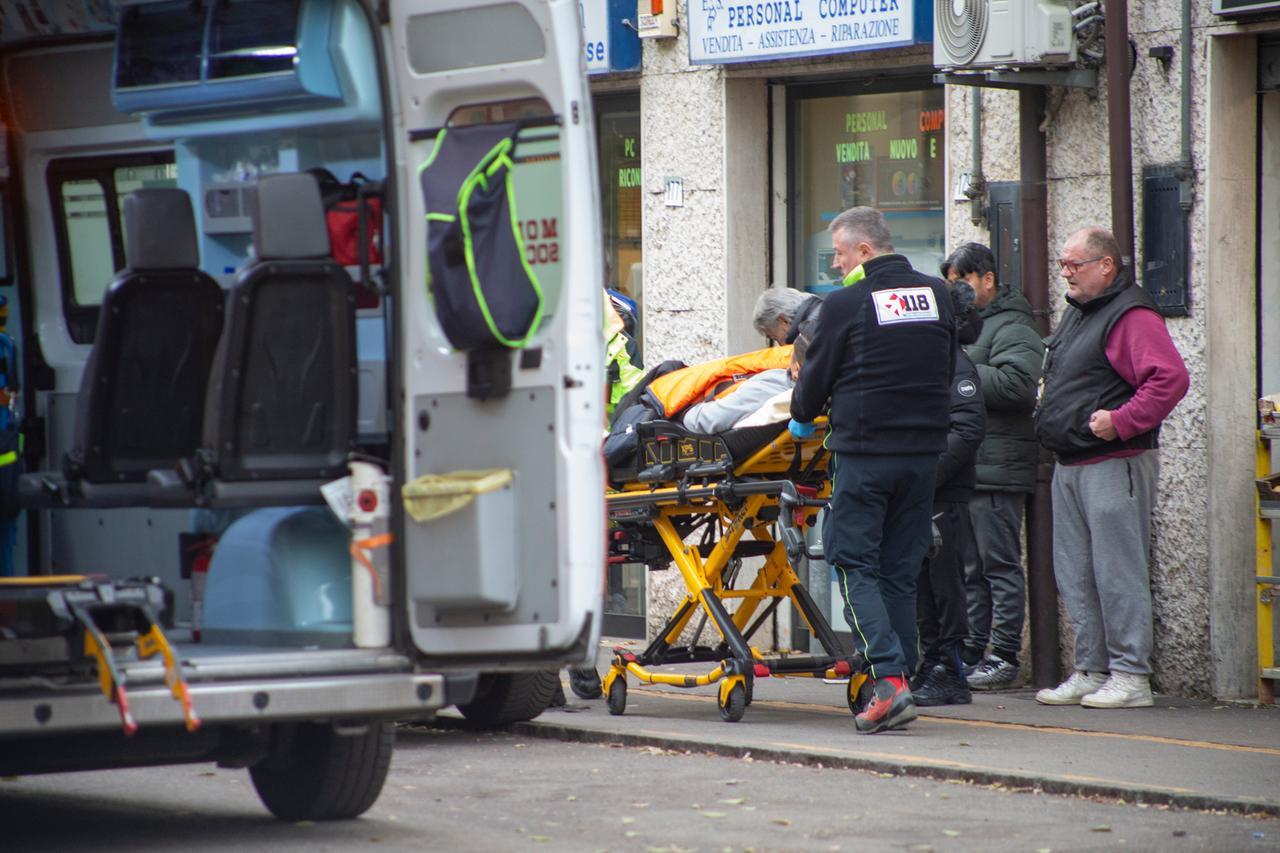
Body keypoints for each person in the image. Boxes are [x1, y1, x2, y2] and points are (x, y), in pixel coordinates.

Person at [790, 206, 956, 734]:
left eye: (839, 254)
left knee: (850, 559)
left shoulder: (847, 304)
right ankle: (900, 677)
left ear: (864, 251)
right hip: (925, 454)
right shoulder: (938, 296)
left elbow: (814, 383)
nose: (836, 265)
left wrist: (799, 419)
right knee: (900, 569)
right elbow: (948, 366)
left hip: (865, 454)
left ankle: (888, 680)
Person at [1033, 227, 1189, 709]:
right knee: (1077, 573)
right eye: (1062, 264)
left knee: (1117, 571)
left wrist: (1120, 421)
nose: (1065, 273)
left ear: (1106, 266)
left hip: (1113, 460)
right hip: (1073, 460)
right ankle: (1091, 668)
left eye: (1074, 264)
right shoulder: (1083, 312)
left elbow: (1170, 379)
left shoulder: (1131, 315)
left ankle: (1130, 675)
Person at [941, 243, 1045, 691]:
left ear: (987, 279)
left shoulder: (1014, 325)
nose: (957, 292)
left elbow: (1019, 386)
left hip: (999, 466)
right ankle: (971, 651)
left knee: (998, 566)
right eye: (951, 285)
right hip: (968, 465)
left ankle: (1003, 656)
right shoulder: (962, 328)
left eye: (963, 282)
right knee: (969, 569)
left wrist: (958, 373)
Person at [912, 282, 985, 707]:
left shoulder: (956, 365)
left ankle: (952, 670)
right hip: (924, 491)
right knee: (925, 584)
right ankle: (933, 660)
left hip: (944, 492)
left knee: (946, 584)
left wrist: (928, 476)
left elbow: (968, 429)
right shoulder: (932, 361)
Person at [752, 287, 822, 346]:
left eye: (774, 337)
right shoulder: (821, 314)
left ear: (784, 321)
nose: (780, 345)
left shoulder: (810, 338)